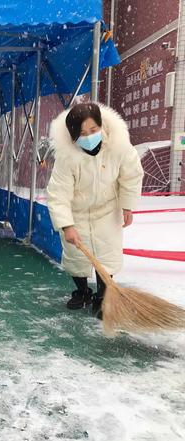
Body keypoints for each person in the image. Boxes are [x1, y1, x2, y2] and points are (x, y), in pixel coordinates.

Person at [47, 103, 144, 318]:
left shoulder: (119, 147)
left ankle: (103, 297)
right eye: (82, 133)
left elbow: (131, 175)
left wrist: (128, 205)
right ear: (73, 135)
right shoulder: (66, 157)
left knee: (106, 256)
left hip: (107, 210)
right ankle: (82, 292)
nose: (89, 136)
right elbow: (58, 193)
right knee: (76, 257)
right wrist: (67, 225)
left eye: (93, 130)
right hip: (77, 213)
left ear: (101, 126)